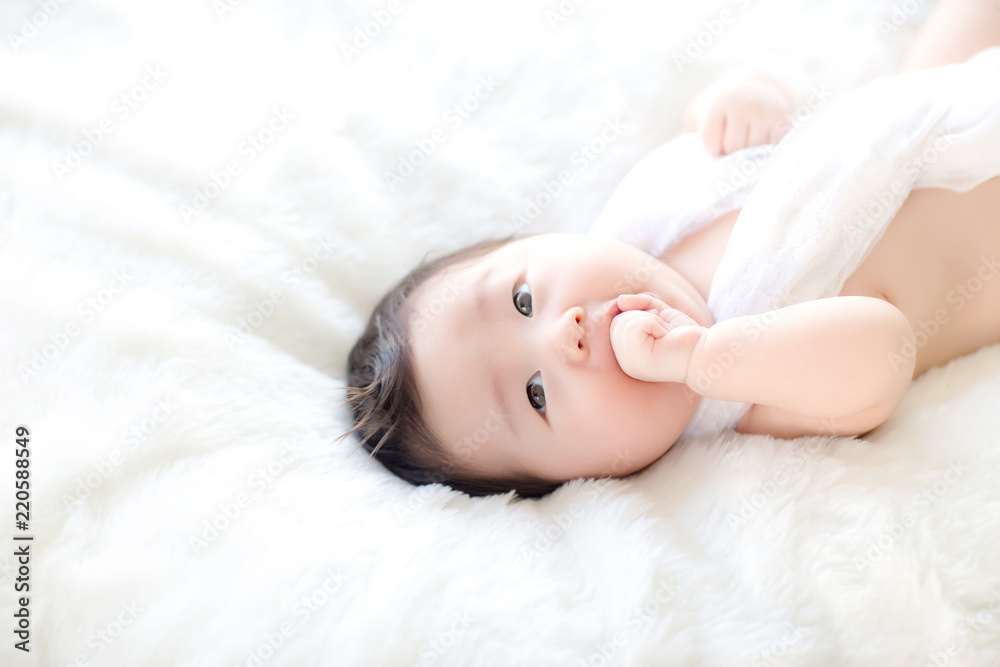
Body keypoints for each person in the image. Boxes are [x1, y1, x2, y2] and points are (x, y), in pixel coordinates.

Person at [342, 0, 1000, 500]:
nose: (561, 334)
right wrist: (703, 359)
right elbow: (882, 351)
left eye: (522, 298)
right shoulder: (741, 399)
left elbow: (724, 145)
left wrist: (741, 102)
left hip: (935, 109)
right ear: (591, 476)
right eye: (537, 394)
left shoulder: (645, 217)